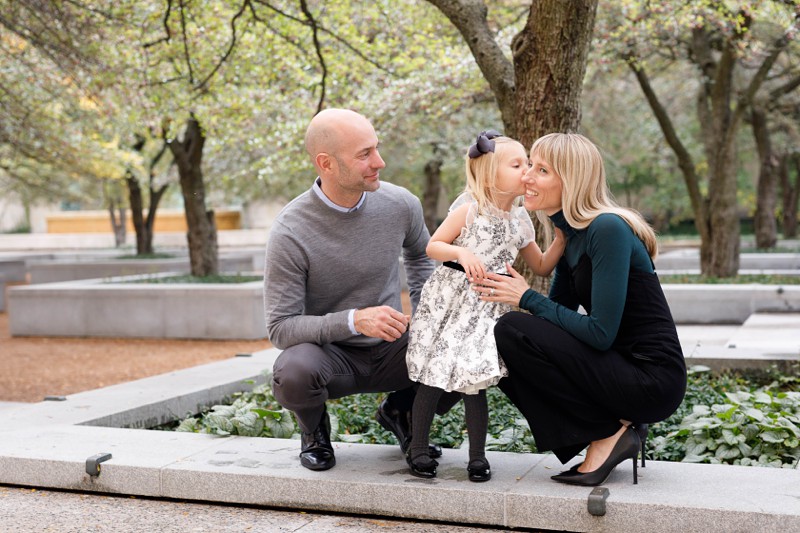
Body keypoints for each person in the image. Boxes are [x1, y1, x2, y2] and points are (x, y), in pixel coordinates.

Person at [474, 132, 686, 486]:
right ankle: (606, 430)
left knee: (512, 328)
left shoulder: (607, 229)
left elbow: (600, 334)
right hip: (619, 370)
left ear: (570, 181)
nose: (526, 176)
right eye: (528, 166)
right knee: (510, 337)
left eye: (541, 170)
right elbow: (555, 321)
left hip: (652, 379)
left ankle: (607, 434)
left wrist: (525, 297)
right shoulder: (571, 238)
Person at [264, 108, 448, 471]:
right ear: (326, 163)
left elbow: (422, 257)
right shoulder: (289, 230)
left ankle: (404, 411)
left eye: (375, 148)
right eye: (364, 154)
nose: (379, 161)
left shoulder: (401, 204)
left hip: (394, 348)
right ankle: (314, 430)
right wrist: (353, 320)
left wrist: (426, 313)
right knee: (292, 375)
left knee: (462, 341)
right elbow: (281, 327)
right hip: (330, 357)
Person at [404, 131, 565, 481]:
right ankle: (417, 447)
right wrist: (462, 252)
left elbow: (539, 266)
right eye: (517, 164)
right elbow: (434, 246)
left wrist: (563, 235)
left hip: (487, 306)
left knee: (475, 381)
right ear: (491, 174)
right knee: (434, 377)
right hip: (450, 302)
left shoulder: (520, 220)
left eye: (528, 163)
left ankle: (477, 456)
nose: (526, 171)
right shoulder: (469, 209)